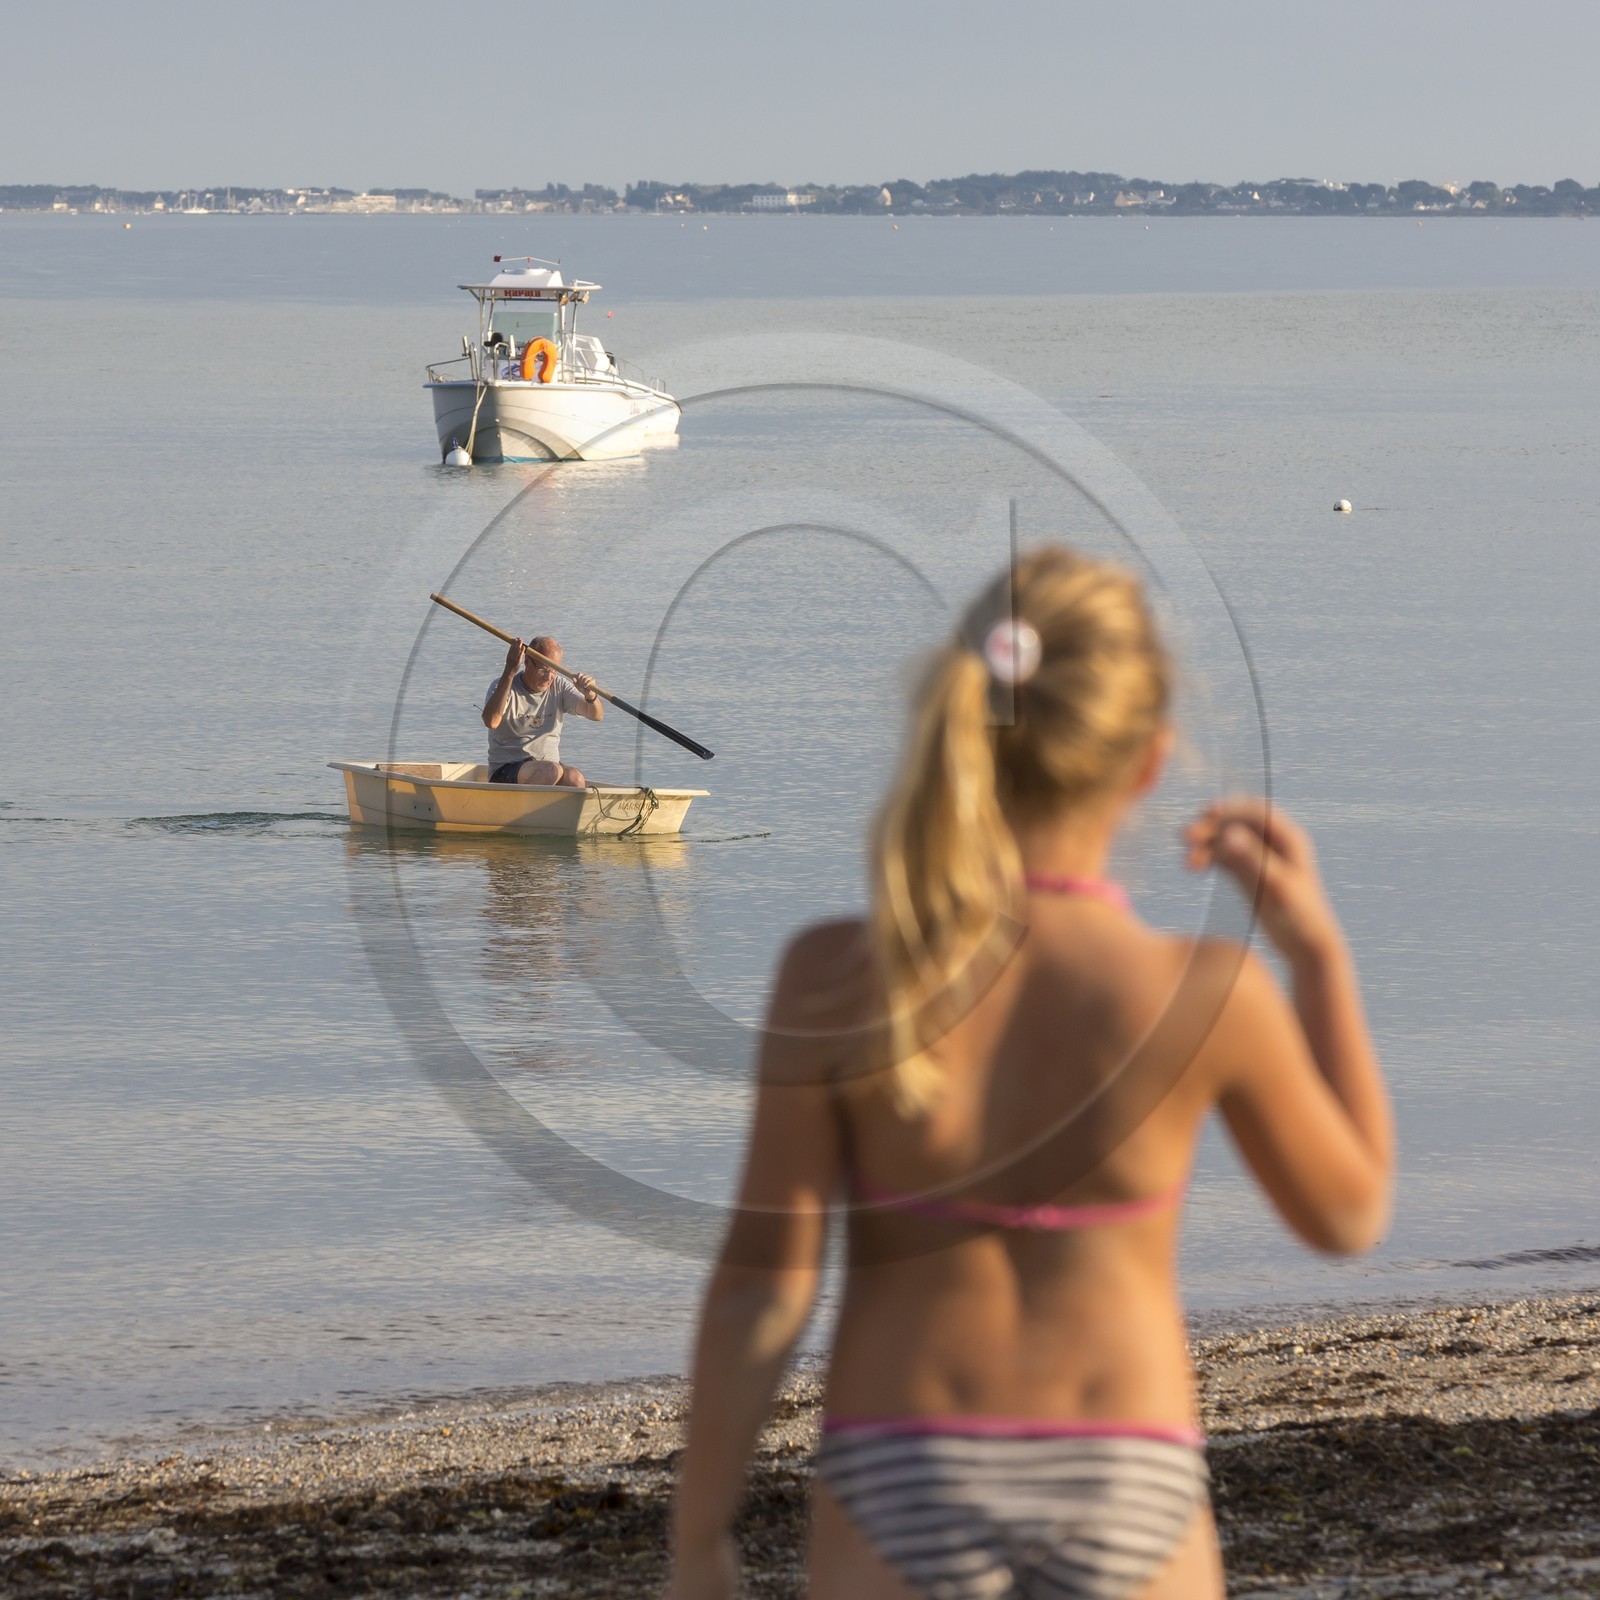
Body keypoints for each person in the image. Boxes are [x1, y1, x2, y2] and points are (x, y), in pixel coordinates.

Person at [666, 546, 1393, 1600]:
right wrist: (1318, 959)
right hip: (1127, 1468)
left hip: (902, 1462)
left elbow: (761, 1290)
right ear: (1148, 760)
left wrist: (700, 1537)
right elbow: (1350, 1215)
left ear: (959, 728)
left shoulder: (836, 977)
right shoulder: (1204, 993)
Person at [481, 633, 603, 788]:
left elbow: (596, 715)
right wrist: (510, 670)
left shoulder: (559, 686)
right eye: (543, 670)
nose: (548, 677)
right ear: (527, 662)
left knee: (575, 778)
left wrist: (590, 695)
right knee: (550, 771)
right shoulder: (503, 685)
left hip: (549, 767)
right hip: (507, 769)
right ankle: (523, 803)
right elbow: (491, 721)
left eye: (554, 671)